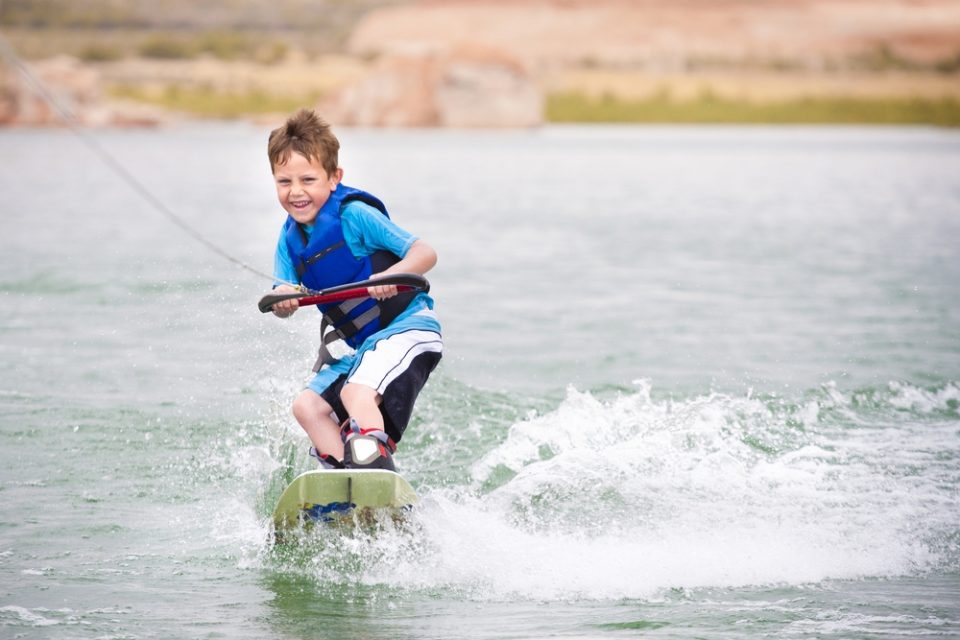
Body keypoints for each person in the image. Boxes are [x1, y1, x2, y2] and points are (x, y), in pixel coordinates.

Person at [265, 108, 442, 471]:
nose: (296, 192)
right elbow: (283, 288)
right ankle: (346, 479)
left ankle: (375, 473)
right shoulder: (289, 242)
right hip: (360, 347)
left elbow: (425, 253)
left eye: (308, 180)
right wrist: (284, 303)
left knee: (354, 392)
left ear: (334, 178)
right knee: (307, 407)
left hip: (407, 329)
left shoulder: (354, 215)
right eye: (284, 182)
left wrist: (391, 275)